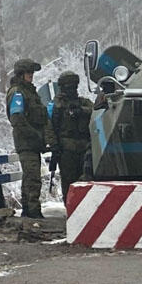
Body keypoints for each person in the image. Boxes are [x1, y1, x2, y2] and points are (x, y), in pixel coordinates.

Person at [5, 58, 48, 219]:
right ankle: (33, 211)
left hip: (33, 143)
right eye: (29, 73)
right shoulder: (17, 92)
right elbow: (17, 118)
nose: (31, 76)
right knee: (33, 178)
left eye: (32, 73)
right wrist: (34, 135)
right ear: (21, 74)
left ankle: (28, 211)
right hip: (27, 142)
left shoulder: (29, 91)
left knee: (30, 176)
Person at [47, 71, 93, 202]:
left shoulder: (84, 103)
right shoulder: (56, 106)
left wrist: (81, 111)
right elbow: (48, 126)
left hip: (85, 149)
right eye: (68, 86)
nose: (71, 89)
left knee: (86, 181)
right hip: (66, 150)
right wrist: (54, 145)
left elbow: (97, 113)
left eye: (73, 86)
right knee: (69, 182)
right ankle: (71, 208)